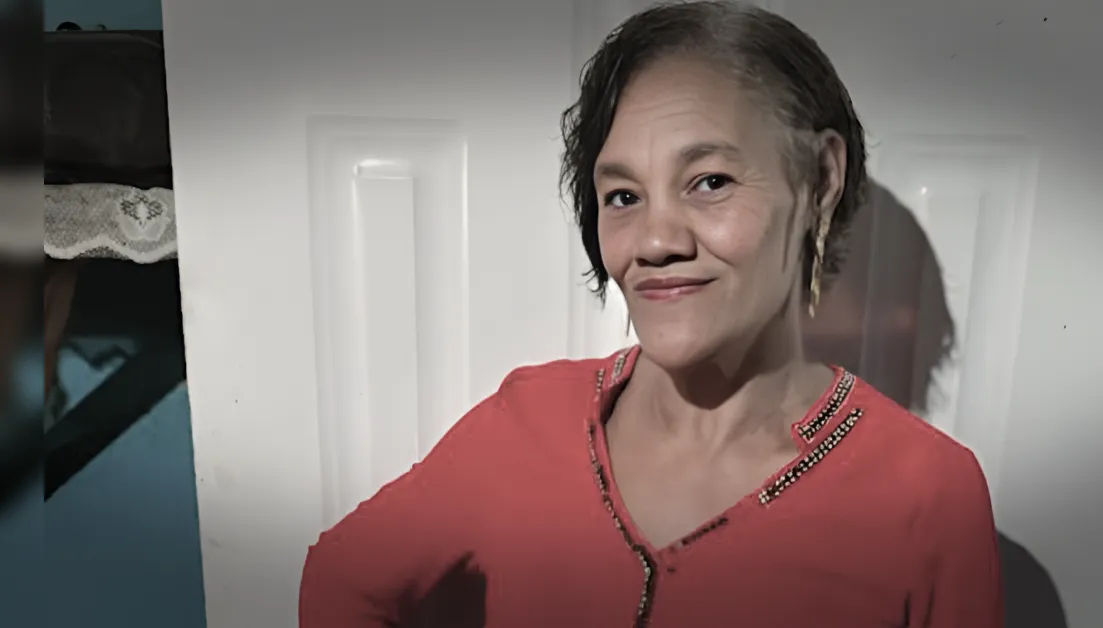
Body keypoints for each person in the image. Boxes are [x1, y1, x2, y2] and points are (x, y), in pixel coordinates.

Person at [299, 2, 1004, 627]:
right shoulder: (527, 419)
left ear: (820, 178)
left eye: (710, 182)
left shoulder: (928, 495)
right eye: (623, 197)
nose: (656, 242)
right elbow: (341, 578)